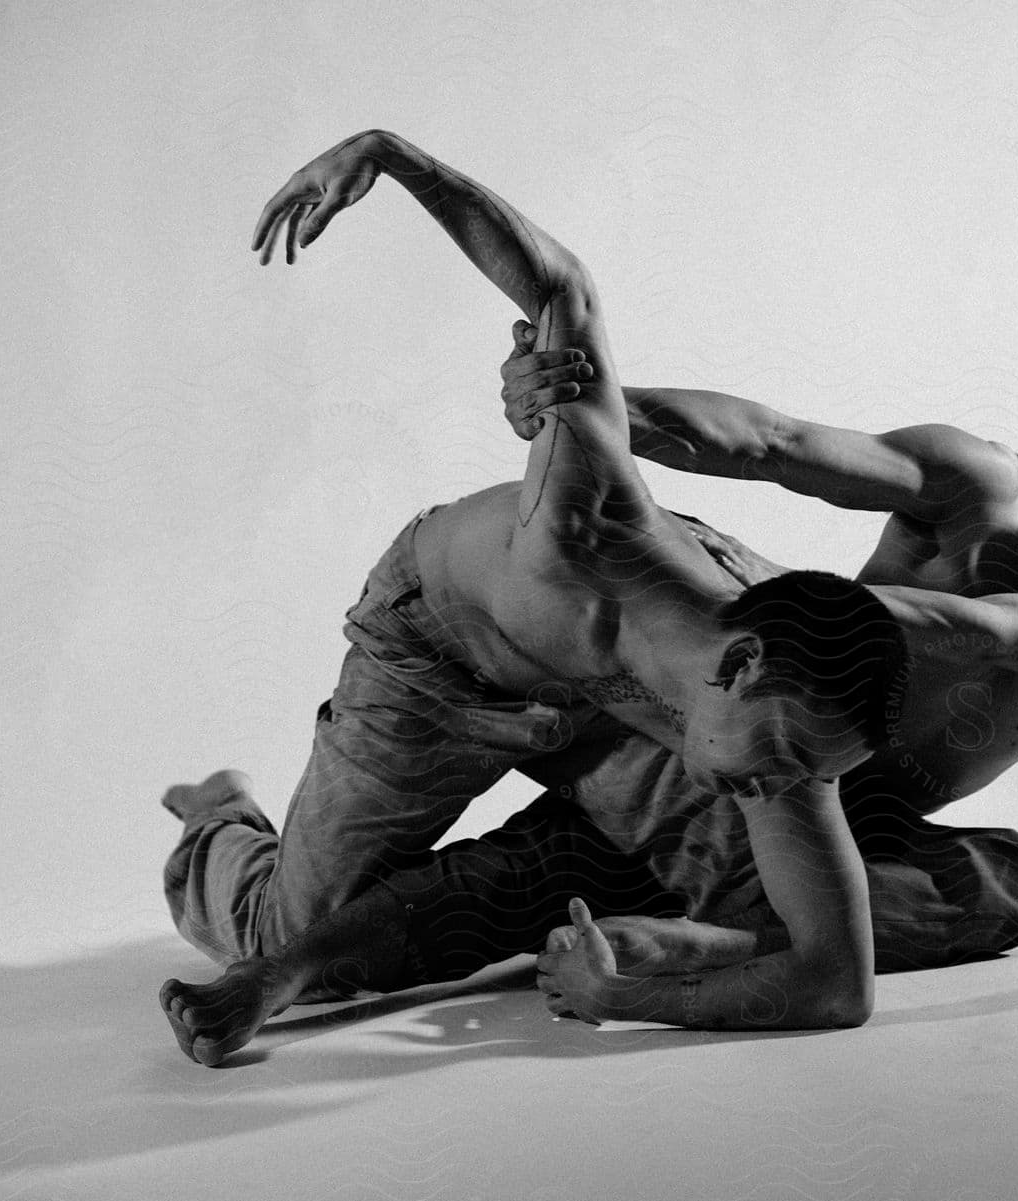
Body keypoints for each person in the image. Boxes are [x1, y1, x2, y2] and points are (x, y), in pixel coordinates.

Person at [157, 129, 910, 1065]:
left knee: (761, 897)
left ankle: (554, 871)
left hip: (609, 708)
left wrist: (629, 994)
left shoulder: (790, 727)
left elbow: (840, 983)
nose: (783, 788)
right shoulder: (586, 528)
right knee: (278, 935)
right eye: (787, 757)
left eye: (808, 772)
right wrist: (388, 156)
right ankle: (215, 814)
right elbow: (564, 290)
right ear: (742, 661)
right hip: (442, 656)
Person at [362, 320, 1018, 1010]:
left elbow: (1000, 634)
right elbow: (772, 441)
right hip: (742, 729)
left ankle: (703, 929)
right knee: (344, 931)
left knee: (1004, 884)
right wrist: (588, 407)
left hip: (841, 818)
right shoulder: (973, 481)